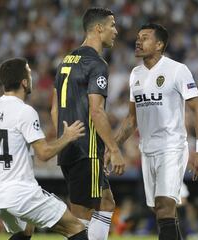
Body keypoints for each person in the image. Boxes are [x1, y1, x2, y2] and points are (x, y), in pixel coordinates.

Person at [112, 23, 198, 239]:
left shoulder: (177, 70)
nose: (138, 41)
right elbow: (131, 119)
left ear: (159, 44)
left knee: (165, 206)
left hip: (172, 147)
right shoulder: (135, 74)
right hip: (147, 150)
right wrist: (113, 145)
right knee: (161, 211)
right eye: (138, 37)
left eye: (144, 37)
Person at [0, 58, 88, 240]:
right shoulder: (24, 111)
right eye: (29, 74)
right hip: (20, 193)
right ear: (24, 82)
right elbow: (44, 153)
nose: (32, 78)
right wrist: (67, 136)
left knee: (26, 230)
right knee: (76, 227)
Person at [51, 7, 125, 239]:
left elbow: (55, 109)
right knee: (80, 216)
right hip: (87, 149)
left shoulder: (66, 60)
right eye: (112, 25)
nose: (116, 30)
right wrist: (114, 149)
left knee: (106, 202)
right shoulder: (96, 64)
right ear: (98, 28)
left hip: (70, 146)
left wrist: (64, 140)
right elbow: (96, 111)